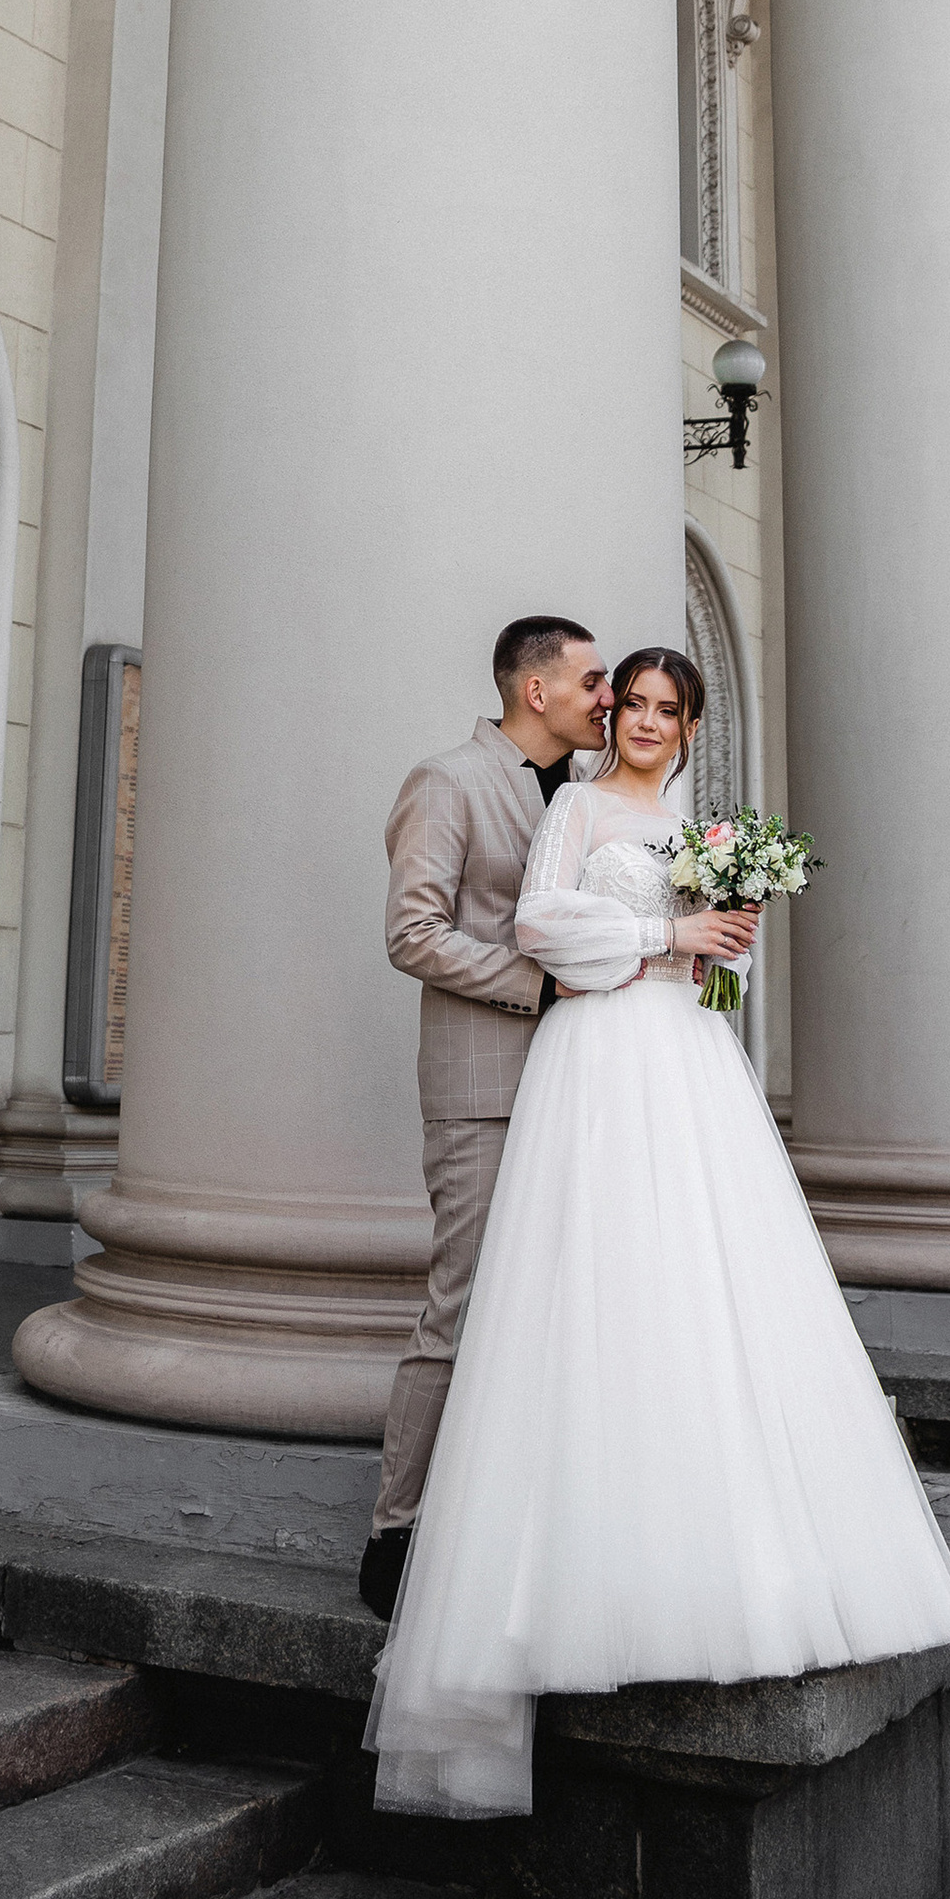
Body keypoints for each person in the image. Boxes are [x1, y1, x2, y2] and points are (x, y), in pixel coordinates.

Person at [364, 644, 950, 1821]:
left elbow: (705, 962)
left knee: (703, 1286)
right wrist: (664, 941)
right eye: (623, 699)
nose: (636, 717)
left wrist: (720, 940)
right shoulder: (576, 805)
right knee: (570, 1293)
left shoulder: (698, 827)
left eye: (658, 707)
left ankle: (716, 1547)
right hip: (592, 1060)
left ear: (690, 725)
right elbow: (540, 925)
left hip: (685, 1063)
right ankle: (457, 1547)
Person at [361, 616, 614, 1623]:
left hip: (580, 1088)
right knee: (458, 1308)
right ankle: (397, 1530)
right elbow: (412, 933)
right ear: (537, 689)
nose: (608, 698)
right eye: (594, 681)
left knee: (559, 1308)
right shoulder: (448, 780)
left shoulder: (592, 801)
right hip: (482, 1088)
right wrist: (542, 990)